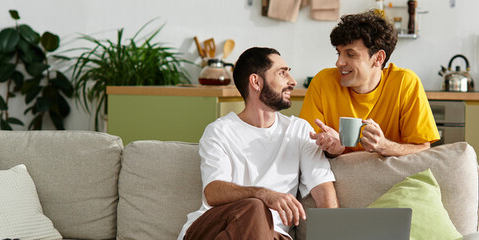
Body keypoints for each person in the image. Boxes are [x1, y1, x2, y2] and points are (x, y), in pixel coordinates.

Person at [177, 47, 339, 240]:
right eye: (282, 73)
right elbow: (213, 191)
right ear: (256, 82)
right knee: (254, 207)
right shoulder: (220, 131)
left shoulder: (299, 131)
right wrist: (263, 194)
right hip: (213, 229)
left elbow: (324, 193)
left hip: (272, 235)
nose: (292, 81)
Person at [299, 10, 439, 157]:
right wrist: (333, 150)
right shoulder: (323, 82)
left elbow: (423, 149)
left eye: (350, 54)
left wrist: (385, 146)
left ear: (378, 58)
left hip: (390, 174)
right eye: (338, 53)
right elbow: (305, 148)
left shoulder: (405, 83)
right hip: (338, 174)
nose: (339, 62)